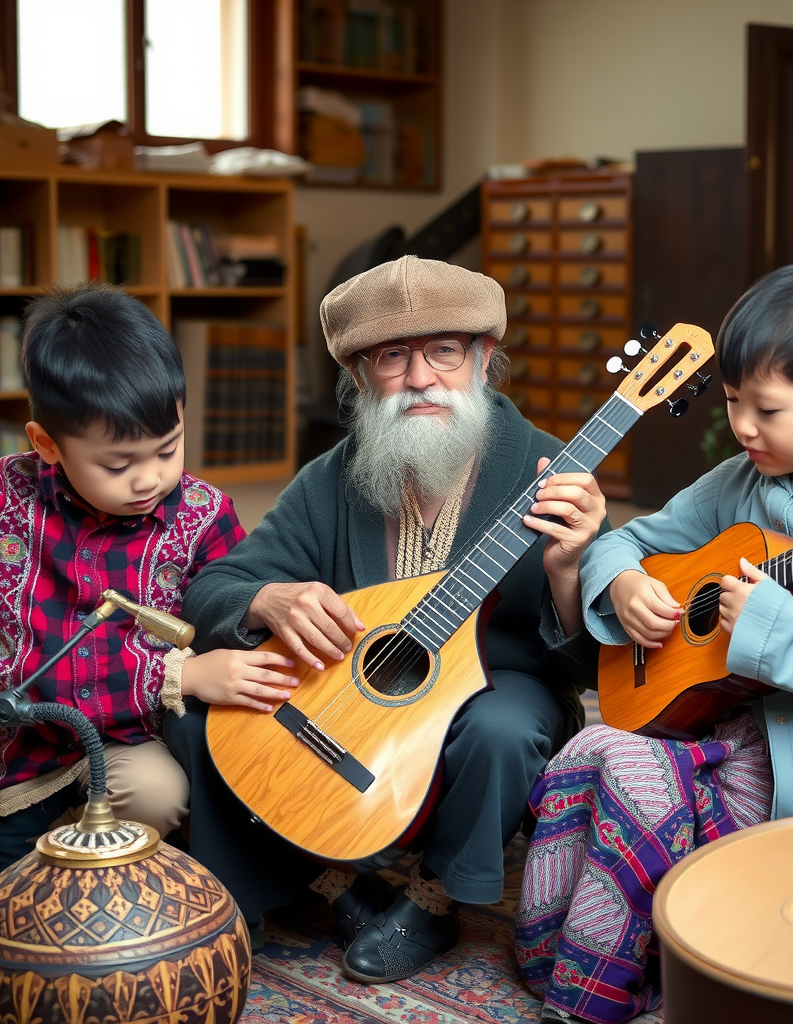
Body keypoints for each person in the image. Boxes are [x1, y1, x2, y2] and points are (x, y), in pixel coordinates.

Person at [515, 257, 793, 1024]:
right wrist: (623, 582)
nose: (741, 427)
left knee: (634, 776)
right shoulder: (744, 480)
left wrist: (777, 631)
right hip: (733, 728)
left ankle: (602, 991)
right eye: (731, 402)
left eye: (766, 409)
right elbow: (628, 543)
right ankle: (573, 960)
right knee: (591, 750)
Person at [165, 254, 608, 976]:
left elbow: (593, 665)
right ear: (359, 376)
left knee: (503, 727)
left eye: (444, 351)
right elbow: (216, 586)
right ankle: (327, 885)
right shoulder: (335, 476)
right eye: (392, 358)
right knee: (199, 708)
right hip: (354, 699)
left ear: (484, 357)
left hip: (490, 695)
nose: (422, 378)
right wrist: (266, 599)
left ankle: (434, 900)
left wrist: (567, 572)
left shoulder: (552, 471)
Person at [0, 283, 297, 870]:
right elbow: (40, 675)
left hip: (128, 745)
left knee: (162, 794)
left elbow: (224, 622)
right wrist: (177, 674)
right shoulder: (8, 501)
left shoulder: (204, 514)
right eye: (117, 464)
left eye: (168, 449)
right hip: (18, 751)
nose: (149, 480)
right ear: (46, 444)